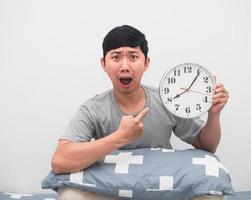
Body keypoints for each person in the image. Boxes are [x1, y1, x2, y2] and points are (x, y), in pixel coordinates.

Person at [51, 25, 229, 200]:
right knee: (69, 195)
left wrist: (214, 115)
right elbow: (60, 162)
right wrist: (119, 137)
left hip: (160, 188)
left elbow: (206, 146)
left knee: (210, 196)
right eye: (116, 57)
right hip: (113, 188)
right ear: (103, 64)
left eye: (133, 57)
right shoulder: (92, 109)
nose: (125, 66)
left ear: (146, 63)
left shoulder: (167, 100)